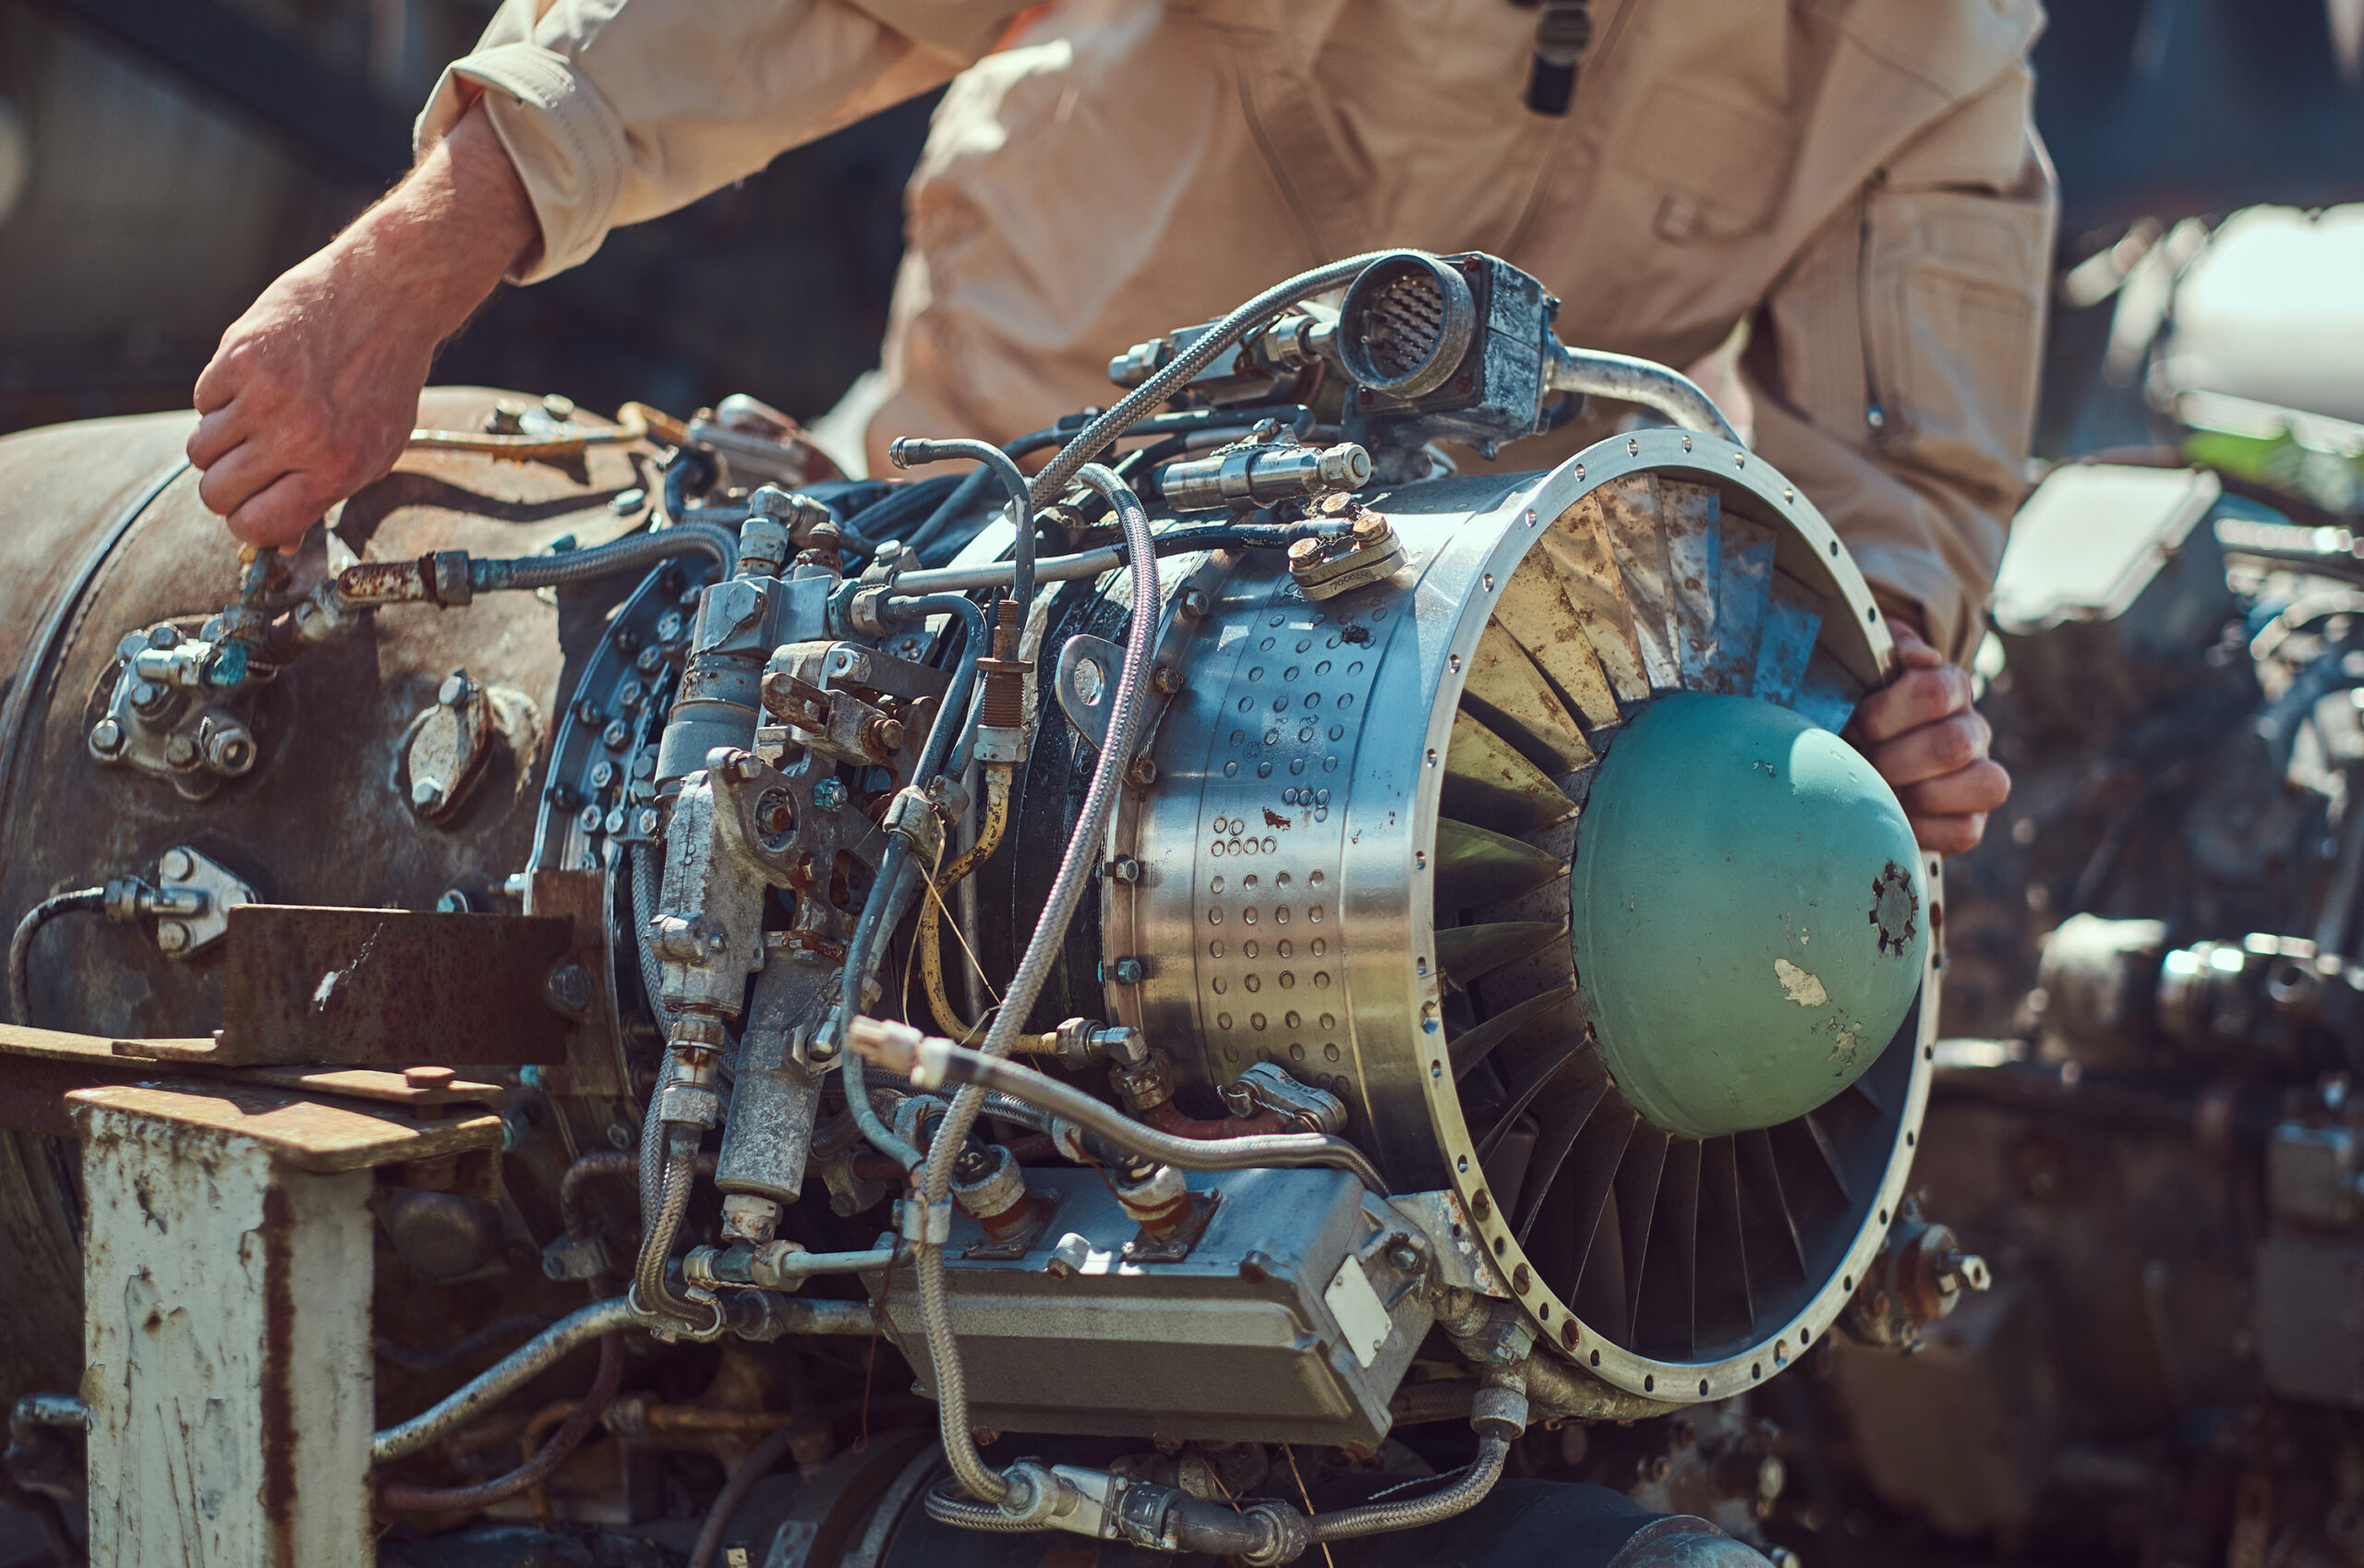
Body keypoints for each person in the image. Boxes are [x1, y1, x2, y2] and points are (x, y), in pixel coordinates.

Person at [185, 0, 2035, 853]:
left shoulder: (1934, 40)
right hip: (939, 595)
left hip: (1399, 757)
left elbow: (1900, 480)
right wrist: (413, 259)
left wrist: (1881, 681)